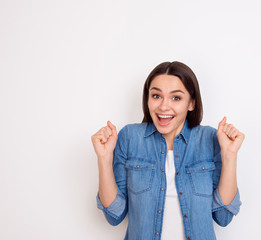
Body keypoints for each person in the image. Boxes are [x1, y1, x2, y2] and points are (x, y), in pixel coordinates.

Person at [91, 61, 245, 240]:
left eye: (176, 98)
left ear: (191, 103)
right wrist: (103, 158)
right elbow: (113, 216)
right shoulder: (130, 137)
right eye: (156, 96)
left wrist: (230, 155)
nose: (163, 106)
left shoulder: (210, 139)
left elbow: (223, 217)